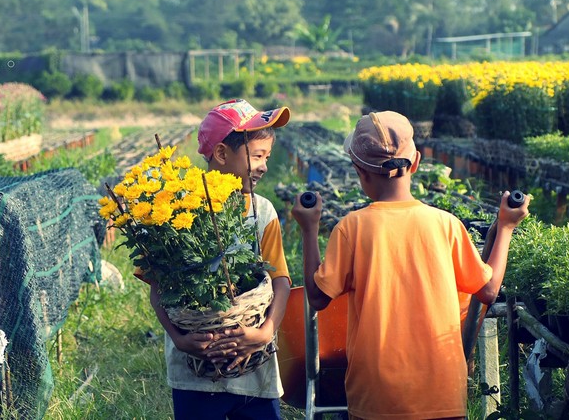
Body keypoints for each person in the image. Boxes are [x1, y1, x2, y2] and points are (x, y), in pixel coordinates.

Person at [291, 111, 530, 419]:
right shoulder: (446, 225)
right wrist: (506, 227)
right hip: (441, 391)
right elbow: (488, 290)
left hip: (375, 395)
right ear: (416, 162)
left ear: (359, 171)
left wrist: (309, 229)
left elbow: (318, 297)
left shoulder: (351, 228)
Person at [142, 99, 292, 419]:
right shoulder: (175, 210)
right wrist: (179, 339)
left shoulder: (262, 211)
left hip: (255, 366)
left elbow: (280, 279)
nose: (264, 165)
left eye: (268, 157)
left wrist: (266, 331)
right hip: (194, 371)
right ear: (222, 154)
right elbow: (157, 288)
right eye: (257, 156)